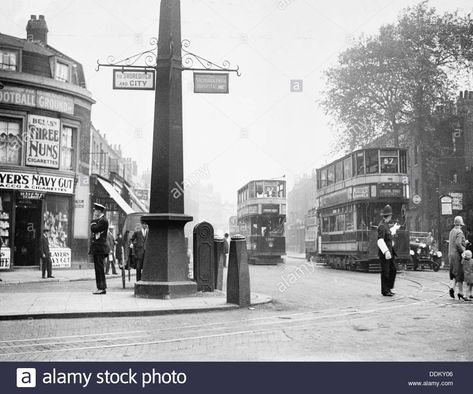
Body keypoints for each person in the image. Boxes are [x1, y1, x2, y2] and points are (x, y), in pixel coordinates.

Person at [89, 203, 110, 295]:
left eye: (95, 210)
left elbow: (94, 229)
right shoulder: (100, 220)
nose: (94, 212)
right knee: (98, 268)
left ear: (99, 211)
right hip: (97, 248)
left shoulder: (103, 220)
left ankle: (101, 288)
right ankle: (100, 287)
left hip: (100, 248)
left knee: (99, 268)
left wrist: (93, 221)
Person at [377, 204, 397, 296]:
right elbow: (380, 240)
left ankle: (389, 288)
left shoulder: (386, 225)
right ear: (389, 216)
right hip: (385, 253)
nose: (391, 217)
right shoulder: (382, 226)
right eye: (391, 215)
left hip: (390, 252)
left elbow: (388, 237)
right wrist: (386, 251)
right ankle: (385, 290)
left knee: (393, 269)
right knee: (385, 271)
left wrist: (394, 229)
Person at [448, 216, 467, 300]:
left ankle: (452, 288)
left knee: (455, 272)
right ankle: (461, 292)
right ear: (461, 223)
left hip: (450, 254)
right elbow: (458, 243)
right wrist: (464, 251)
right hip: (457, 255)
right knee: (460, 273)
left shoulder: (452, 231)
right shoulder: (460, 232)